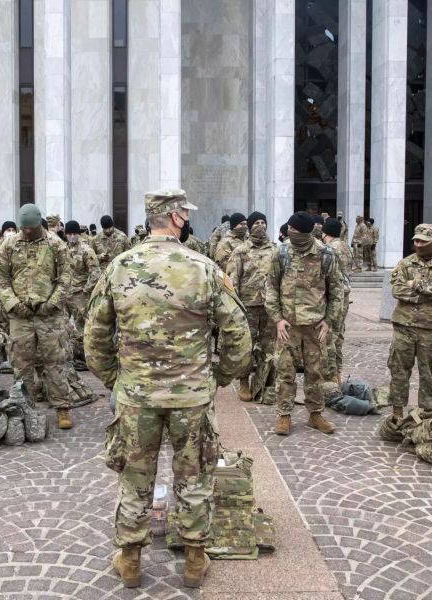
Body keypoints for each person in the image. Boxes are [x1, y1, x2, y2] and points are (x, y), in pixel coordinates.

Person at [85, 188, 250, 590]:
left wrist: (117, 380)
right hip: (190, 397)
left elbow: (93, 337)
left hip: (137, 397)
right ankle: (194, 562)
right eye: (184, 214)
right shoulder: (203, 268)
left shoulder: (120, 267)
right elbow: (239, 338)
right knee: (194, 478)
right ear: (176, 218)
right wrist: (217, 378)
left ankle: (131, 562)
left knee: (135, 479)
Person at [0, 204, 76, 429]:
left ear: (39, 224)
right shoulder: (8, 245)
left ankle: (62, 408)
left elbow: (66, 276)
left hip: (49, 315)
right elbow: (1, 279)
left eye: (32, 228)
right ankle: (26, 408)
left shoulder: (55, 244)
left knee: (55, 362)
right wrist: (13, 304)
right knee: (21, 364)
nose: (28, 232)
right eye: (25, 228)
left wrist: (53, 302)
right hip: (21, 316)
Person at [265, 211, 343, 436]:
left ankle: (315, 414)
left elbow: (337, 290)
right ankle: (284, 415)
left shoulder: (325, 254)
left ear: (309, 232)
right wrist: (278, 318)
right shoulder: (281, 253)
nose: (293, 235)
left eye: (297, 231)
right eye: (290, 230)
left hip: (315, 326)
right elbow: (271, 287)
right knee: (285, 371)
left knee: (315, 372)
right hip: (287, 326)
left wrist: (329, 320)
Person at [387, 224, 432, 418]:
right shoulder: (405, 264)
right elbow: (397, 290)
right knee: (399, 369)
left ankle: (428, 412)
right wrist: (425, 293)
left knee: (429, 372)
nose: (419, 245)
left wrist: (415, 284)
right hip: (404, 326)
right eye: (416, 241)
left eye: (423, 241)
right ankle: (397, 413)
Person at [227, 211, 276, 403]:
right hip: (248, 306)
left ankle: (264, 381)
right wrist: (235, 306)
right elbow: (232, 280)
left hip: (269, 307)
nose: (260, 225)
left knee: (268, 346)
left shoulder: (274, 249)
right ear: (249, 226)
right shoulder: (240, 251)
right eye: (257, 222)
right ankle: (244, 381)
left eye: (264, 222)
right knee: (246, 346)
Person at [321, 217, 352, 384]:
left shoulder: (330, 248)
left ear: (326, 233)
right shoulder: (346, 246)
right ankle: (337, 373)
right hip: (345, 294)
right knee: (339, 335)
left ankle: (332, 376)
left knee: (330, 336)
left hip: (334, 294)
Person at [64, 220, 100, 360]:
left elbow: (95, 272)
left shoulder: (86, 250)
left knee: (83, 327)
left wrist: (86, 289)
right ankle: (67, 355)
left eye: (74, 233)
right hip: (65, 294)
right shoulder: (62, 249)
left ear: (78, 234)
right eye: (69, 233)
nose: (72, 236)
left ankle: (85, 356)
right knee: (62, 326)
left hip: (80, 296)